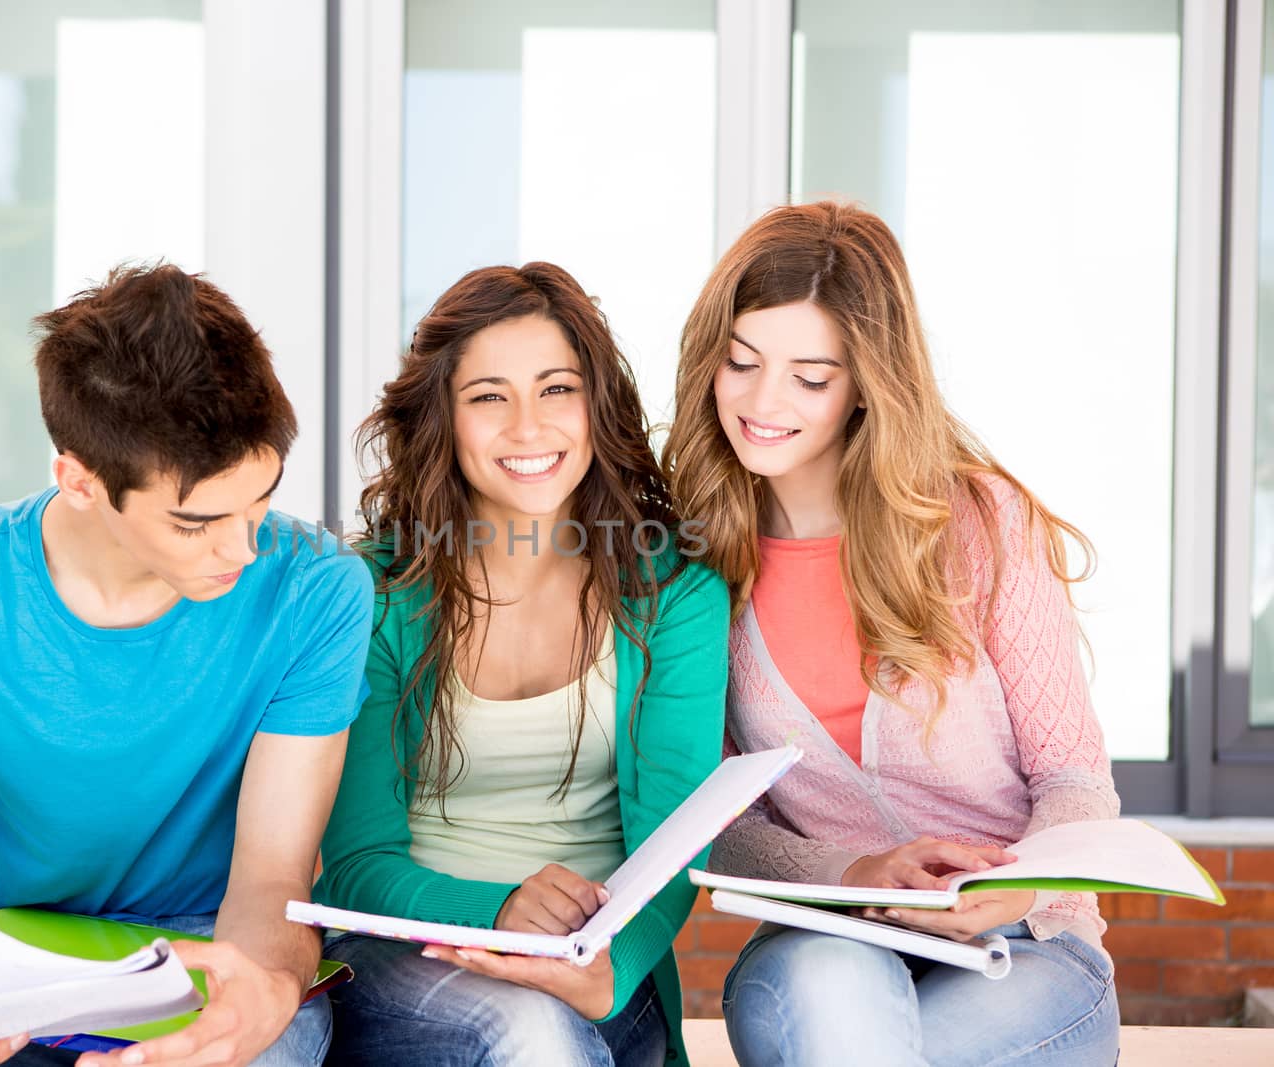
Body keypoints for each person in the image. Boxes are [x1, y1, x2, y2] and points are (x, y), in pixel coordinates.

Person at [0, 265, 373, 1067]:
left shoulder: (318, 589)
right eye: (198, 523)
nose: (245, 547)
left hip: (215, 941)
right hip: (5, 942)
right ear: (81, 482)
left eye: (260, 502)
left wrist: (260, 991)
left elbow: (272, 877)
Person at [662, 201, 1121, 1066]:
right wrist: (852, 871)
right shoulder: (696, 557)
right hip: (826, 939)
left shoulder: (983, 525)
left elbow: (1073, 778)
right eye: (743, 363)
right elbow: (719, 820)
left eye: (810, 375)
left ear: (868, 381)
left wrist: (1018, 883)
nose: (765, 402)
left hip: (1022, 947)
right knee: (836, 1010)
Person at [313, 262, 729, 1067]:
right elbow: (356, 864)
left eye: (556, 389)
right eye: (488, 397)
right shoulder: (372, 592)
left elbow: (674, 852)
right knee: (528, 1030)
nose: (529, 427)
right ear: (443, 420)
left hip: (603, 967)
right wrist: (496, 908)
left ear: (596, 405)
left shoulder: (674, 593)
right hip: (410, 961)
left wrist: (604, 972)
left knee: (552, 1025)